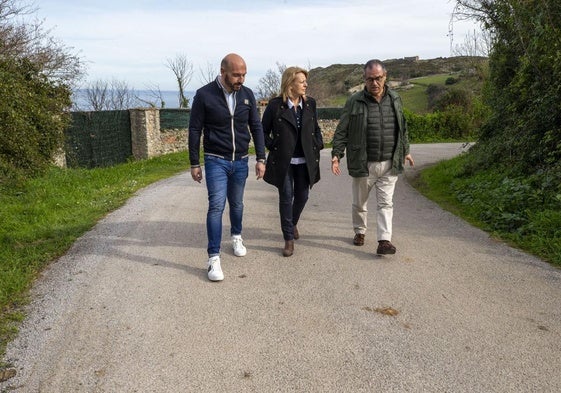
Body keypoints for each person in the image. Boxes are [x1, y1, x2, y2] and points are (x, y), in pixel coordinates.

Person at [188, 53, 266, 281]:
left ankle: (236, 236)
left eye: (243, 74)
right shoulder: (204, 95)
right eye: (236, 75)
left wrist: (261, 158)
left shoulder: (247, 95)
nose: (240, 79)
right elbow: (194, 130)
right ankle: (213, 258)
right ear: (223, 72)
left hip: (241, 160)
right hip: (215, 160)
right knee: (216, 206)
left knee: (238, 204)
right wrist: (194, 163)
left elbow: (256, 127)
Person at [331, 59, 414, 255]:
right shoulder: (354, 101)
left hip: (388, 163)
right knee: (360, 203)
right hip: (363, 163)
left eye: (378, 78)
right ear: (364, 80)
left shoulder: (395, 98)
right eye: (370, 79)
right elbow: (342, 129)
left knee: (386, 203)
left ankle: (384, 240)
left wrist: (406, 150)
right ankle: (360, 231)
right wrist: (336, 155)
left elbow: (402, 127)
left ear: (385, 77)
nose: (374, 83)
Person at [262, 66, 324, 257]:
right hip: (284, 162)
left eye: (305, 81)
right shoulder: (275, 106)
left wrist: (318, 143)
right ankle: (288, 238)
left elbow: (315, 128)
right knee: (286, 198)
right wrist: (274, 146)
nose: (306, 84)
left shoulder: (309, 104)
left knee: (303, 196)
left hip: (305, 160)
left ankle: (292, 222)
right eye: (301, 81)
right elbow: (262, 132)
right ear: (290, 84)